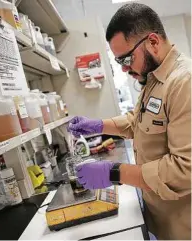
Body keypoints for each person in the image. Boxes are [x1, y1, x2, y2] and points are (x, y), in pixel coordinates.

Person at [68, 2, 191, 240]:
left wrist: (115, 172)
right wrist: (99, 126)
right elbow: (138, 121)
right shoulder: (153, 79)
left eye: (126, 59)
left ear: (153, 42)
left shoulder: (184, 82)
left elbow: (186, 169)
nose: (125, 69)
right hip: (160, 215)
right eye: (119, 62)